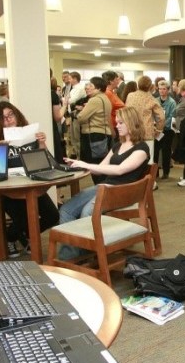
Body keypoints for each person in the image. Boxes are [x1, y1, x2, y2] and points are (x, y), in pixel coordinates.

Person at [58, 105, 150, 261]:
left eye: (121, 122)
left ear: (132, 123)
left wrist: (86, 165)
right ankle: (76, 254)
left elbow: (120, 170)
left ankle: (81, 254)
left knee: (87, 212)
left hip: (122, 192)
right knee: (66, 210)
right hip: (105, 188)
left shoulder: (142, 149)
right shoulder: (118, 145)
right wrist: (78, 165)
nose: (117, 125)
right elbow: (101, 168)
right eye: (116, 122)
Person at [0, 101, 60, 257]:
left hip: (31, 185)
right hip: (8, 190)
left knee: (53, 216)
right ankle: (13, 238)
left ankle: (20, 236)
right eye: (3, 118)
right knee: (25, 220)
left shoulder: (29, 135)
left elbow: (47, 163)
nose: (9, 120)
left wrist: (42, 144)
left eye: (11, 115)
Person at [75, 76, 114, 183]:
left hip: (93, 136)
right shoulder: (105, 98)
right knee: (102, 165)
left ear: (98, 88)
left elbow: (81, 118)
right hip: (103, 134)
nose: (87, 88)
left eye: (90, 86)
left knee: (95, 167)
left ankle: (101, 193)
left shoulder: (94, 100)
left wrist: (78, 112)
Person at [124, 75, 165, 171]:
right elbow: (161, 117)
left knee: (132, 157)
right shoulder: (151, 99)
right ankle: (149, 182)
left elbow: (126, 111)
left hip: (132, 131)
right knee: (148, 159)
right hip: (147, 132)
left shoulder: (130, 96)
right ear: (150, 86)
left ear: (138, 84)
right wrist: (159, 129)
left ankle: (134, 179)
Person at [154, 79, 177, 179]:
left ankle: (166, 172)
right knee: (155, 151)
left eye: (164, 89)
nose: (162, 91)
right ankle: (155, 173)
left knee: (166, 151)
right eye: (160, 89)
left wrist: (161, 125)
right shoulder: (155, 101)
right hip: (157, 130)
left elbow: (172, 117)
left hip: (167, 130)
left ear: (168, 90)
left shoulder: (172, 102)